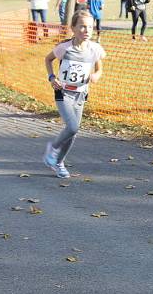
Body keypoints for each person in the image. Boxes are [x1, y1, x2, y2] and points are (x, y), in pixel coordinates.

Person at [44, 10, 106, 178]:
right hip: (62, 92)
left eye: (90, 27)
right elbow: (48, 59)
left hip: (80, 94)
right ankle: (53, 149)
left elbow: (99, 68)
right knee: (72, 127)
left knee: (73, 132)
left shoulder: (95, 49)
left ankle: (58, 163)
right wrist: (51, 77)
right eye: (82, 27)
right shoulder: (64, 47)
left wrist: (96, 76)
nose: (87, 31)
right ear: (73, 28)